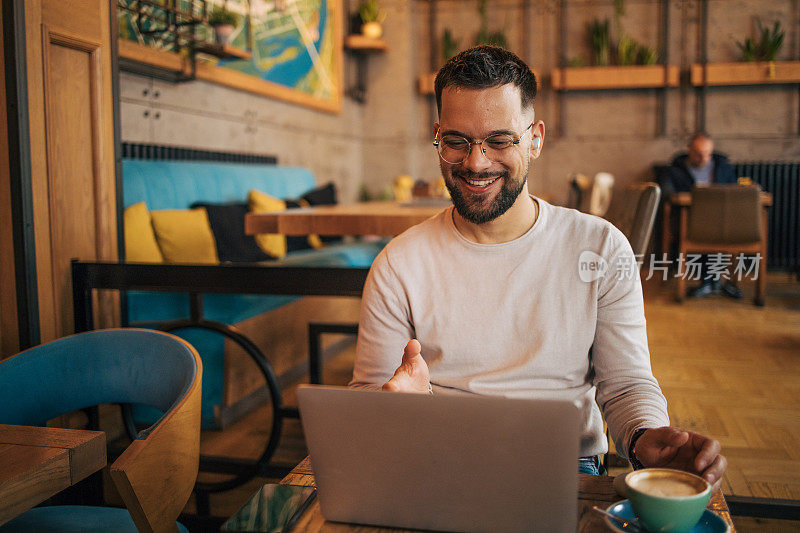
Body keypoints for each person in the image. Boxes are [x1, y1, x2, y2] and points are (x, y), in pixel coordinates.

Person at [350, 45, 727, 489]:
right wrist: (392, 411)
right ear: (437, 136)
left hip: (567, 467)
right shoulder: (399, 263)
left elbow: (626, 386)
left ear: (535, 139)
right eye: (456, 141)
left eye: (499, 139)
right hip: (438, 461)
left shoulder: (601, 248)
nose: (475, 161)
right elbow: (369, 399)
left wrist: (645, 435)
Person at [660, 133, 741, 299]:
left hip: (721, 221)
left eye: (708, 154)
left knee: (719, 230)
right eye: (698, 153)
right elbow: (668, 195)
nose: (703, 158)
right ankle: (710, 282)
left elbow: (735, 192)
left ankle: (712, 282)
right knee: (700, 231)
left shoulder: (723, 168)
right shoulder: (674, 170)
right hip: (689, 220)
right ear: (689, 150)